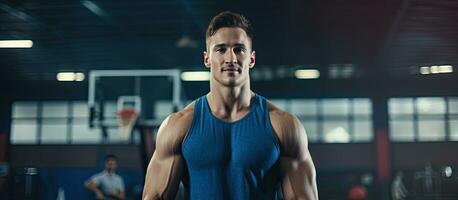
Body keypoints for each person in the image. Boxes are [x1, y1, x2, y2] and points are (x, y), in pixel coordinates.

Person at [143, 11, 318, 200]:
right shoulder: (178, 126)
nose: (231, 58)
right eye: (221, 49)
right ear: (207, 59)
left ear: (251, 59)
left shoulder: (284, 126)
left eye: (239, 49)